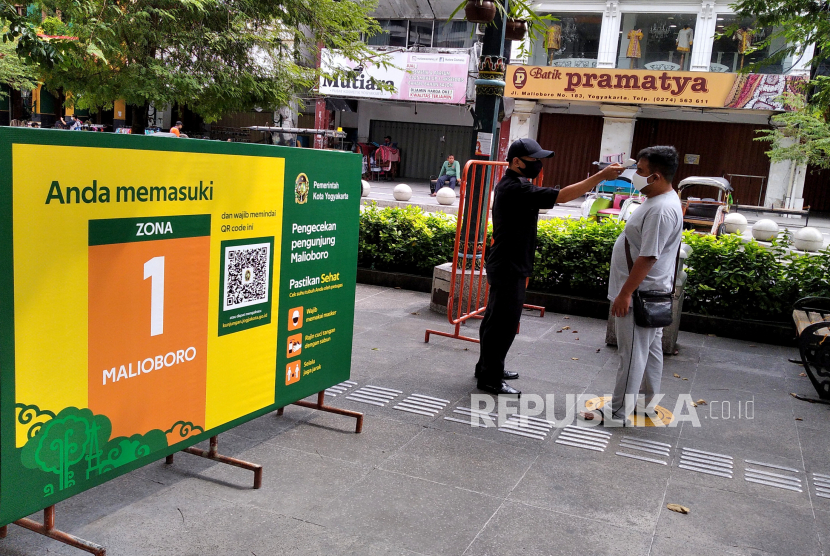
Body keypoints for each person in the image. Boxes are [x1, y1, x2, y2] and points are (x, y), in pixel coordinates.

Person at [475, 138, 625, 396]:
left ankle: (488, 367)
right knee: (503, 323)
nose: (538, 164)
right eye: (533, 160)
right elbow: (564, 196)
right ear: (516, 162)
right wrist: (601, 175)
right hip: (509, 265)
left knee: (495, 319)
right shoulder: (514, 188)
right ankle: (490, 377)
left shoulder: (519, 183)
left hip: (508, 262)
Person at [580, 146, 683, 424]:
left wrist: (625, 293)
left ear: (657, 177)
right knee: (648, 351)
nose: (635, 175)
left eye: (640, 171)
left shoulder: (661, 209)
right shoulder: (660, 200)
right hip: (648, 291)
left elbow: (648, 256)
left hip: (640, 293)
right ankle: (646, 404)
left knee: (632, 354)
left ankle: (617, 412)